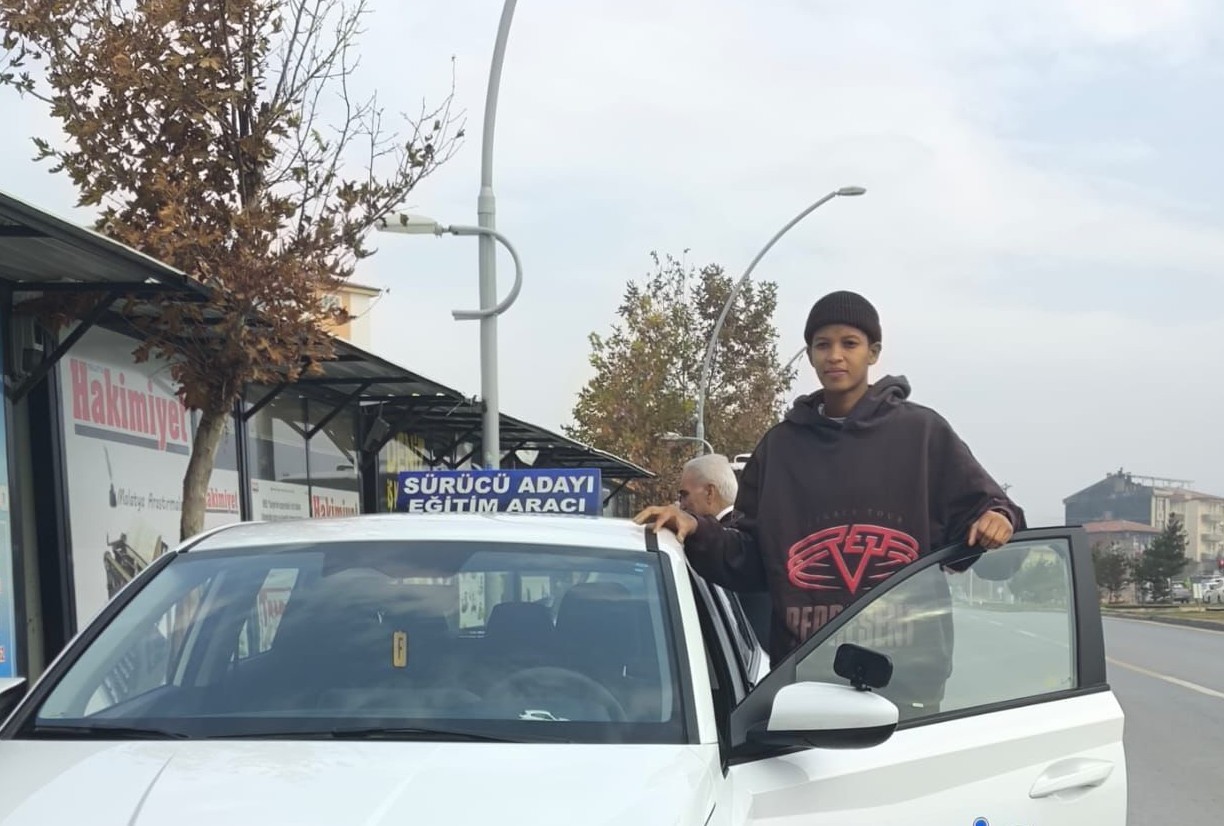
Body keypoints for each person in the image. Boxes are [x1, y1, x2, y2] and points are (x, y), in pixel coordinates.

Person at [635, 290, 1024, 711]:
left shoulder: (923, 435)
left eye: (849, 343)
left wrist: (998, 518)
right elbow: (751, 557)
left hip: (908, 683)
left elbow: (990, 512)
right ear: (809, 355)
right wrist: (696, 529)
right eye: (823, 344)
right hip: (807, 678)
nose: (835, 355)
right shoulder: (780, 448)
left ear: (873, 352)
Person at [678, 454, 772, 644]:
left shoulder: (726, 545)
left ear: (710, 493)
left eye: (684, 495)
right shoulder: (753, 533)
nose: (681, 505)